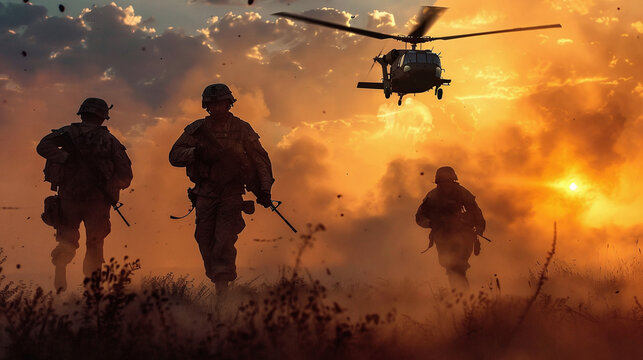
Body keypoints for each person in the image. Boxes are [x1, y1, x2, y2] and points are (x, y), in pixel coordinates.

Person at [169, 84, 274, 294]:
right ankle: (217, 276)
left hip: (231, 193)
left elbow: (260, 159)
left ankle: (222, 288)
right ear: (207, 106)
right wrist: (197, 153)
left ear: (229, 103)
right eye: (213, 104)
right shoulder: (197, 130)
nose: (217, 108)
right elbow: (174, 156)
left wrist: (264, 188)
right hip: (205, 193)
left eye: (221, 103)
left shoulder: (242, 128)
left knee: (224, 240)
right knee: (204, 238)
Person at [36, 98, 133, 291]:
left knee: (67, 239)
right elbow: (126, 175)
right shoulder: (110, 140)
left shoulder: (67, 133)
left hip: (69, 197)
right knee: (95, 245)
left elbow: (43, 146)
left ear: (82, 114)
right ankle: (92, 288)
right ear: (103, 117)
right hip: (97, 202)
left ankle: (61, 272)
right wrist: (111, 187)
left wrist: (65, 158)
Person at [415, 166, 485, 290]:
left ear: (453, 181)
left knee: (459, 266)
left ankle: (462, 294)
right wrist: (433, 223)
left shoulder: (462, 193)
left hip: (463, 234)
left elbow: (476, 212)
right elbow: (420, 217)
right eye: (443, 182)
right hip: (443, 236)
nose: (446, 186)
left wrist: (479, 227)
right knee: (450, 265)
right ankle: (460, 295)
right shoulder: (432, 197)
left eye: (448, 182)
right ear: (438, 183)